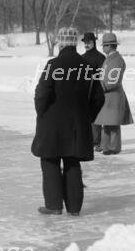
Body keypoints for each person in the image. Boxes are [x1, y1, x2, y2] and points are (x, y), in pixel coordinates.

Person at [31, 27, 105, 216]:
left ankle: (54, 205)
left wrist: (42, 114)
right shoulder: (87, 66)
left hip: (52, 124)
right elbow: (98, 98)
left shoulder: (53, 65)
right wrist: (87, 116)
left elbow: (42, 94)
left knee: (50, 161)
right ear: (74, 42)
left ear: (61, 43)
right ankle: (74, 208)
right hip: (77, 125)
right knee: (72, 163)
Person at [92, 33, 133, 155]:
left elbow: (113, 80)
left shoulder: (117, 60)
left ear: (110, 46)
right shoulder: (109, 59)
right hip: (107, 96)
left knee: (113, 123)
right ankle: (106, 146)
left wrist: (99, 85)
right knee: (107, 122)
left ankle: (113, 147)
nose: (103, 48)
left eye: (104, 46)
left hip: (113, 96)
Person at [81, 32, 105, 150]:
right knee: (86, 117)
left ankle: (97, 141)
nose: (86, 44)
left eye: (88, 42)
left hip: (97, 92)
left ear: (94, 43)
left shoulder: (100, 57)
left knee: (96, 117)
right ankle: (89, 140)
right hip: (85, 92)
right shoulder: (82, 57)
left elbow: (104, 75)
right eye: (85, 42)